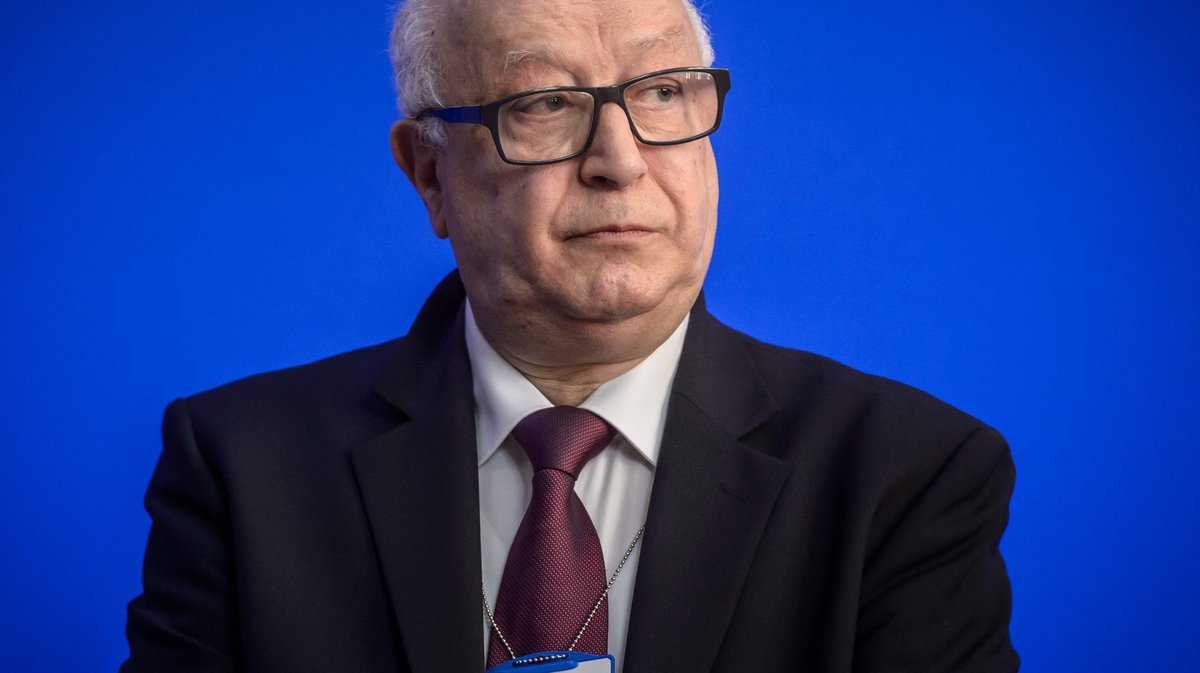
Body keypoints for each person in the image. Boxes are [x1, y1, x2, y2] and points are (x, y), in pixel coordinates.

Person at [122, 0, 1018, 671]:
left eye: (662, 92)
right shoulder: (244, 464)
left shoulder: (908, 472)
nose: (620, 161)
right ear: (430, 172)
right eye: (545, 103)